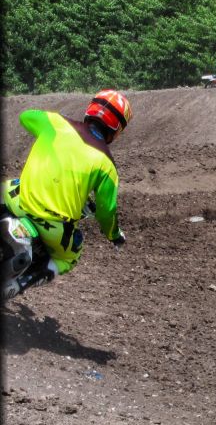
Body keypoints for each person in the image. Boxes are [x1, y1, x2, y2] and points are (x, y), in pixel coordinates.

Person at [2, 90, 130, 296]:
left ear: (91, 109)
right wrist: (114, 236)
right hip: (55, 230)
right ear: (117, 128)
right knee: (70, 258)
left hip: (19, 201)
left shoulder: (56, 123)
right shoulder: (108, 166)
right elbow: (107, 211)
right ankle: (19, 285)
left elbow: (25, 116)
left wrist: (49, 123)